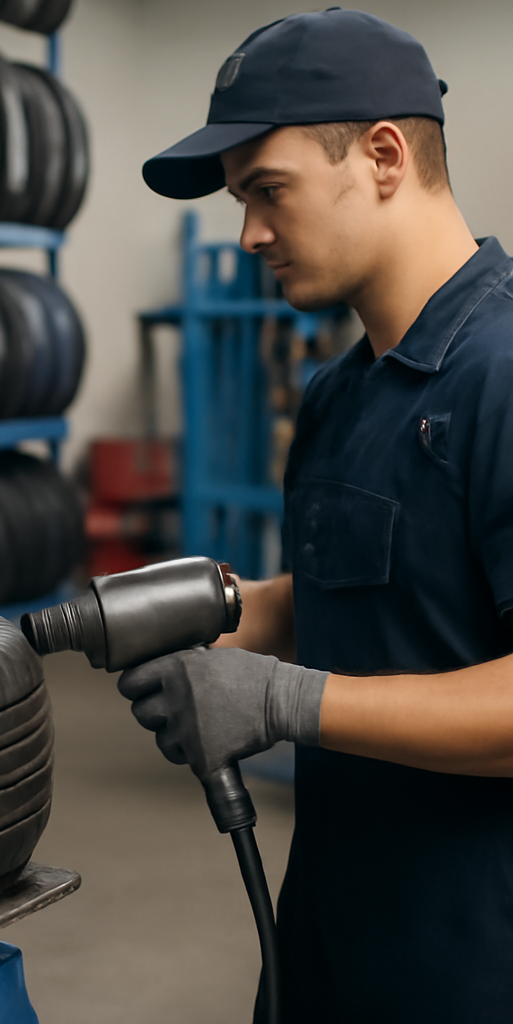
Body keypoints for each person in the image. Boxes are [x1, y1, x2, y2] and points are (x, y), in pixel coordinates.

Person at [120, 9, 513, 1023]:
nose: (247, 231)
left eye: (267, 190)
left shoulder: (503, 378)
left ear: (383, 156)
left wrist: (281, 703)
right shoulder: (343, 391)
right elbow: (386, 585)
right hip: (336, 930)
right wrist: (226, 609)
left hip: (476, 955)